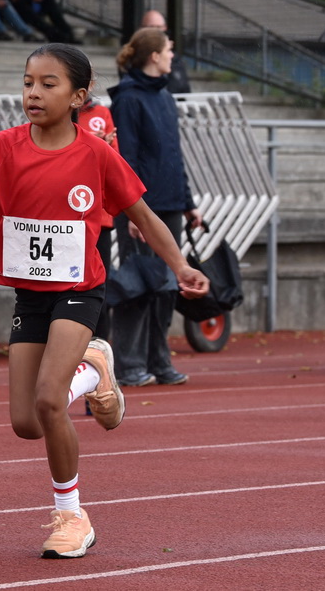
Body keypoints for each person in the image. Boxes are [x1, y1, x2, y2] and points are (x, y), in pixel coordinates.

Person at [0, 43, 208, 558]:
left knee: (49, 399)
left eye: (48, 84)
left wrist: (181, 267)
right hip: (31, 294)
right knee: (26, 422)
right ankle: (96, 371)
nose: (34, 93)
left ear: (78, 97)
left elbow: (145, 217)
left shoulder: (96, 156)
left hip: (79, 291)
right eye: (28, 83)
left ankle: (71, 516)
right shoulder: (2, 146)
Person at [108, 28, 204, 387]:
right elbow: (127, 158)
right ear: (153, 56)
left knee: (166, 287)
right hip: (140, 207)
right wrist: (134, 210)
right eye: (168, 50)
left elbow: (174, 156)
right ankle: (129, 364)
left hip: (170, 203)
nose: (172, 56)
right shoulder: (129, 98)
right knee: (138, 285)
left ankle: (159, 360)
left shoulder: (165, 96)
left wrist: (189, 203)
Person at [77, 94, 119, 341]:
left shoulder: (102, 114)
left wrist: (102, 147)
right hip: (63, 218)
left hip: (98, 217)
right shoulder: (57, 115)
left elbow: (115, 162)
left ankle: (100, 346)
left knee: (98, 283)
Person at [140, 10, 192, 94]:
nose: (171, 55)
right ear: (155, 57)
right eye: (152, 27)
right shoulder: (132, 94)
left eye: (159, 27)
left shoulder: (176, 61)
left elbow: (185, 89)